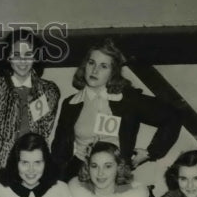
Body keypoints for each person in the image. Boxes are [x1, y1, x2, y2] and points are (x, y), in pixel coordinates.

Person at [51, 39, 182, 182]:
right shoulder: (71, 103)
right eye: (91, 63)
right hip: (78, 176)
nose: (95, 70)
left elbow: (172, 116)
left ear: (113, 72)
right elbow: (59, 153)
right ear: (84, 65)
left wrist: (151, 152)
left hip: (115, 179)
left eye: (104, 66)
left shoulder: (127, 100)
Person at [0, 28, 61, 187]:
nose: (23, 61)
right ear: (8, 56)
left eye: (28, 55)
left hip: (33, 172)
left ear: (36, 57)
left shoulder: (48, 92)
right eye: (16, 54)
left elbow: (43, 131)